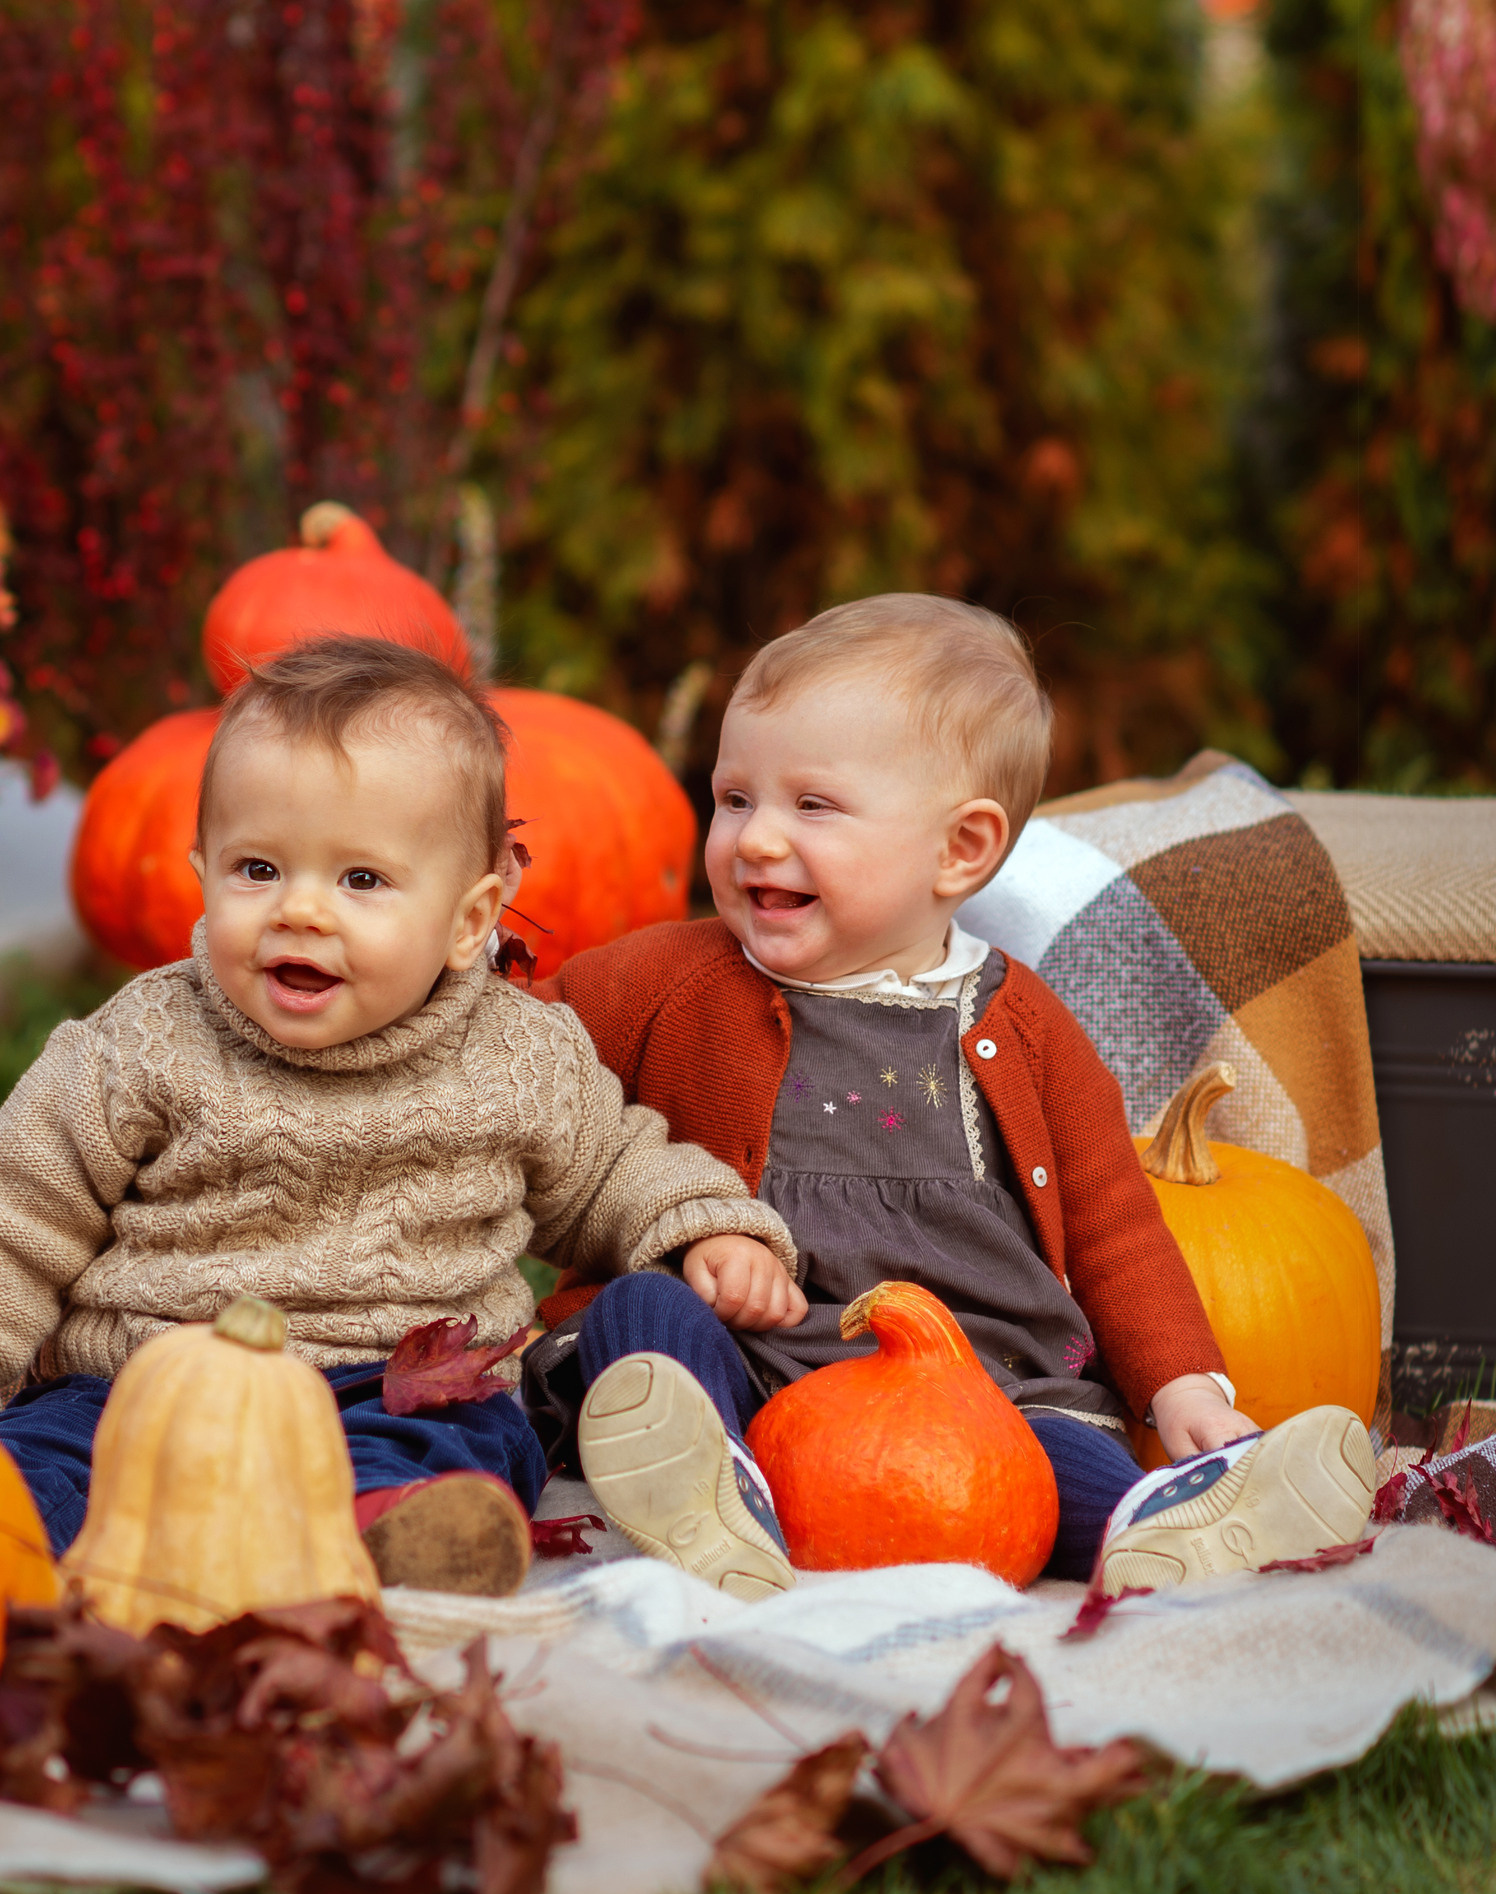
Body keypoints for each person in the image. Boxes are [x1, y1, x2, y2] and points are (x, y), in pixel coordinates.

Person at [0, 634, 798, 1598]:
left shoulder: (519, 1057)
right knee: (39, 1462)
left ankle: (383, 1546)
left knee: (453, 1452)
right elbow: (7, 1224)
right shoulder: (141, 1043)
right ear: (201, 867)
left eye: (361, 880)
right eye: (257, 870)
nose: (300, 911)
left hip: (394, 1386)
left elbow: (609, 1170)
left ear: (471, 921)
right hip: (144, 1386)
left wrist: (701, 1223)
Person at [540, 593, 1377, 1599]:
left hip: (982, 1391)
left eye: (811, 806)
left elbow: (1115, 1222)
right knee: (643, 1312)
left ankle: (1163, 1532)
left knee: (1060, 1466)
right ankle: (709, 1488)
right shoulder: (668, 977)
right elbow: (521, 1053)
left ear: (960, 850)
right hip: (754, 1356)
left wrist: (1183, 1382)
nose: (756, 839)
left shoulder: (1026, 1026)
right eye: (733, 798)